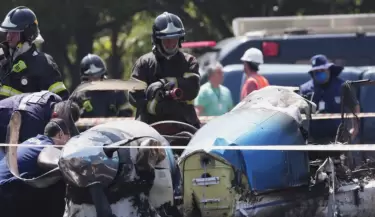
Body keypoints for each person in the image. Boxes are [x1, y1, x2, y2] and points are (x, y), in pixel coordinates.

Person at [130, 12, 201, 129]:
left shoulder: (189, 61)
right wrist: (153, 104)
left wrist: (163, 83)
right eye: (166, 40)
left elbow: (192, 88)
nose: (171, 43)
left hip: (184, 124)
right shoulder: (144, 63)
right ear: (157, 40)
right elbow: (134, 96)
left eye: (174, 39)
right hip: (149, 127)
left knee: (200, 145)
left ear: (180, 39)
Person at [0, 118, 70, 217]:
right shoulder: (48, 147)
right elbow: (55, 163)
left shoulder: (31, 140)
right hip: (5, 191)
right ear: (60, 135)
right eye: (68, 137)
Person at [300, 55, 360, 165]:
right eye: (316, 71)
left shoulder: (342, 86)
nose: (319, 74)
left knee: (343, 171)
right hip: (315, 140)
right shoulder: (305, 89)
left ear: (329, 70)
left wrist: (354, 129)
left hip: (338, 139)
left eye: (322, 70)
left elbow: (354, 106)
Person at [0, 6, 69, 101]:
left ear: (27, 34)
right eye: (7, 32)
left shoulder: (43, 63)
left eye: (14, 33)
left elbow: (61, 101)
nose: (8, 37)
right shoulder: (4, 61)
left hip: (27, 116)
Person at [0, 91, 80, 152]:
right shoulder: (33, 121)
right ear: (54, 116)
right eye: (61, 125)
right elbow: (30, 152)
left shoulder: (54, 99)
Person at [70, 53, 134, 118]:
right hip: (88, 128)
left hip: (113, 128)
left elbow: (128, 116)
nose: (94, 79)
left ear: (103, 74)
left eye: (97, 76)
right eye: (90, 77)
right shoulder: (78, 96)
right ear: (85, 78)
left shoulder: (117, 92)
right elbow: (69, 118)